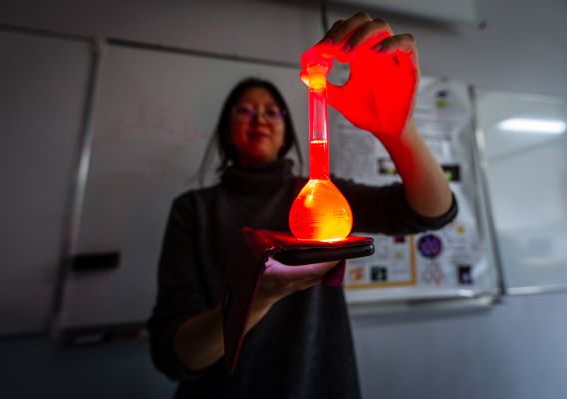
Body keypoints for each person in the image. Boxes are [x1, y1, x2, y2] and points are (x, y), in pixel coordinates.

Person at [147, 12, 457, 399]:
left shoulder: (319, 197)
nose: (259, 119)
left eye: (272, 111)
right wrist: (256, 298)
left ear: (287, 133)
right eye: (245, 110)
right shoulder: (194, 210)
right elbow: (174, 354)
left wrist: (398, 134)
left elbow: (430, 211)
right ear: (226, 131)